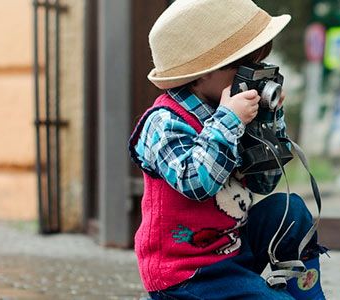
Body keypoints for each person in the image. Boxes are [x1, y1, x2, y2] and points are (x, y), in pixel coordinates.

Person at [127, 0, 326, 298]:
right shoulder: (163, 122)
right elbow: (196, 184)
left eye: (258, 64)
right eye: (244, 66)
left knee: (291, 210)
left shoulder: (229, 110)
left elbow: (265, 182)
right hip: (187, 274)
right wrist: (229, 120)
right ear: (203, 71)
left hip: (231, 250)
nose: (253, 74)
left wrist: (268, 121)